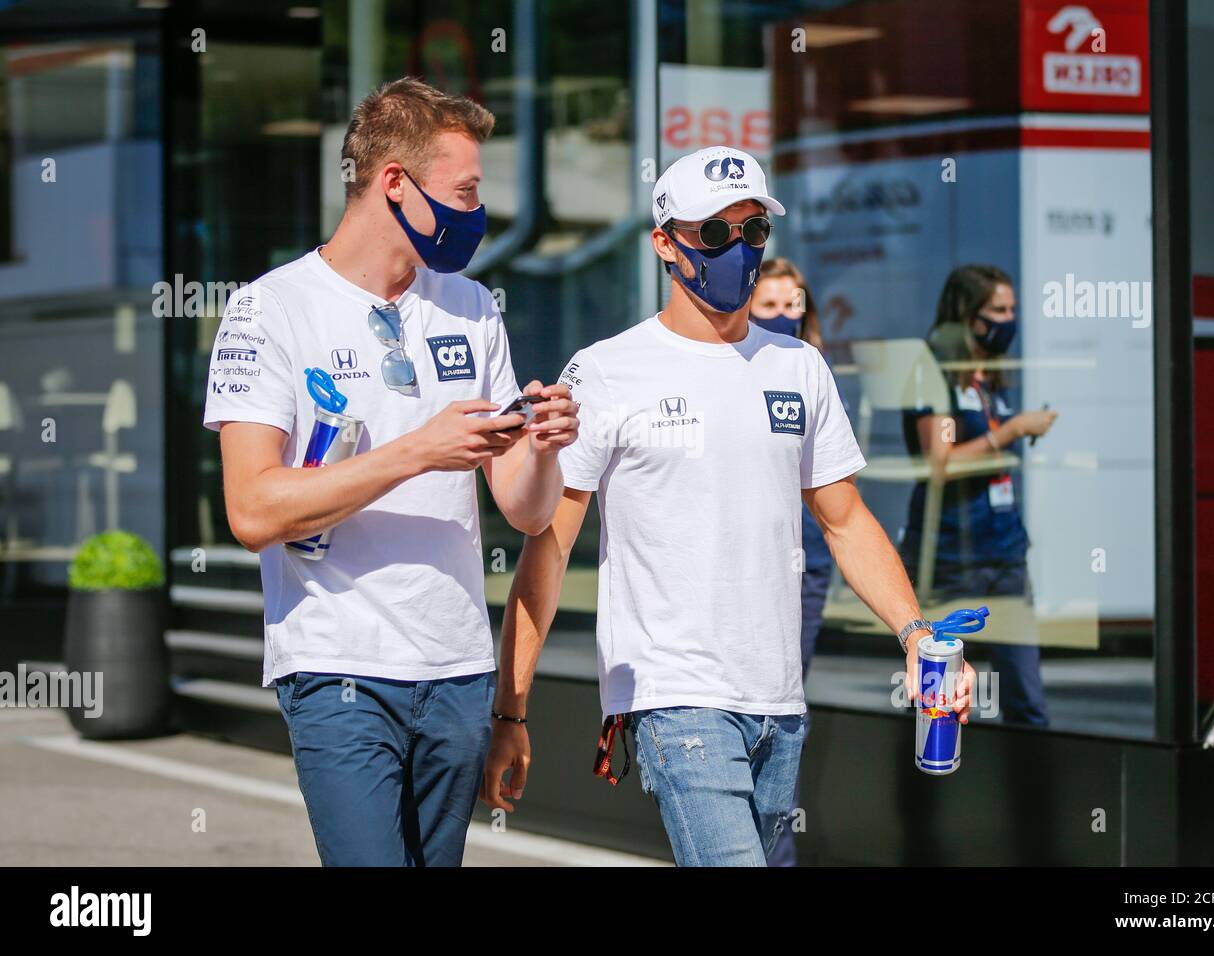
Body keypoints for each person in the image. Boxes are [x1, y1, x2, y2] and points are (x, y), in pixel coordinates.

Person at [480, 146, 975, 866]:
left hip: (778, 702)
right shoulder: (607, 371)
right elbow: (548, 548)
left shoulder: (799, 367)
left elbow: (845, 521)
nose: (738, 249)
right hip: (674, 696)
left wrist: (915, 633)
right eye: (714, 232)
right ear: (665, 244)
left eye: (754, 231)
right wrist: (511, 710)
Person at [202, 77, 579, 866]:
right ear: (396, 183)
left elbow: (525, 510)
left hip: (458, 669)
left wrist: (543, 446)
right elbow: (252, 510)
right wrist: (419, 450)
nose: (478, 213)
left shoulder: (472, 306)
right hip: (338, 666)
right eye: (465, 193)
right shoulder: (270, 309)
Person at [899, 264, 1056, 727]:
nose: (1009, 320)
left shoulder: (989, 370)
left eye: (1012, 310)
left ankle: (1029, 775)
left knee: (1026, 700)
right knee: (935, 701)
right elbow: (941, 462)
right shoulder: (935, 368)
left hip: (1004, 550)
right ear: (969, 314)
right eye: (998, 311)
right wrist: (1011, 430)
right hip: (951, 554)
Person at [749, 257, 829, 867]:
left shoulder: (814, 374)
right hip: (743, 567)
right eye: (770, 306)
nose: (783, 317)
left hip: (804, 569)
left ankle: (776, 855)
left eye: (792, 306)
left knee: (782, 712)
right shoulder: (729, 373)